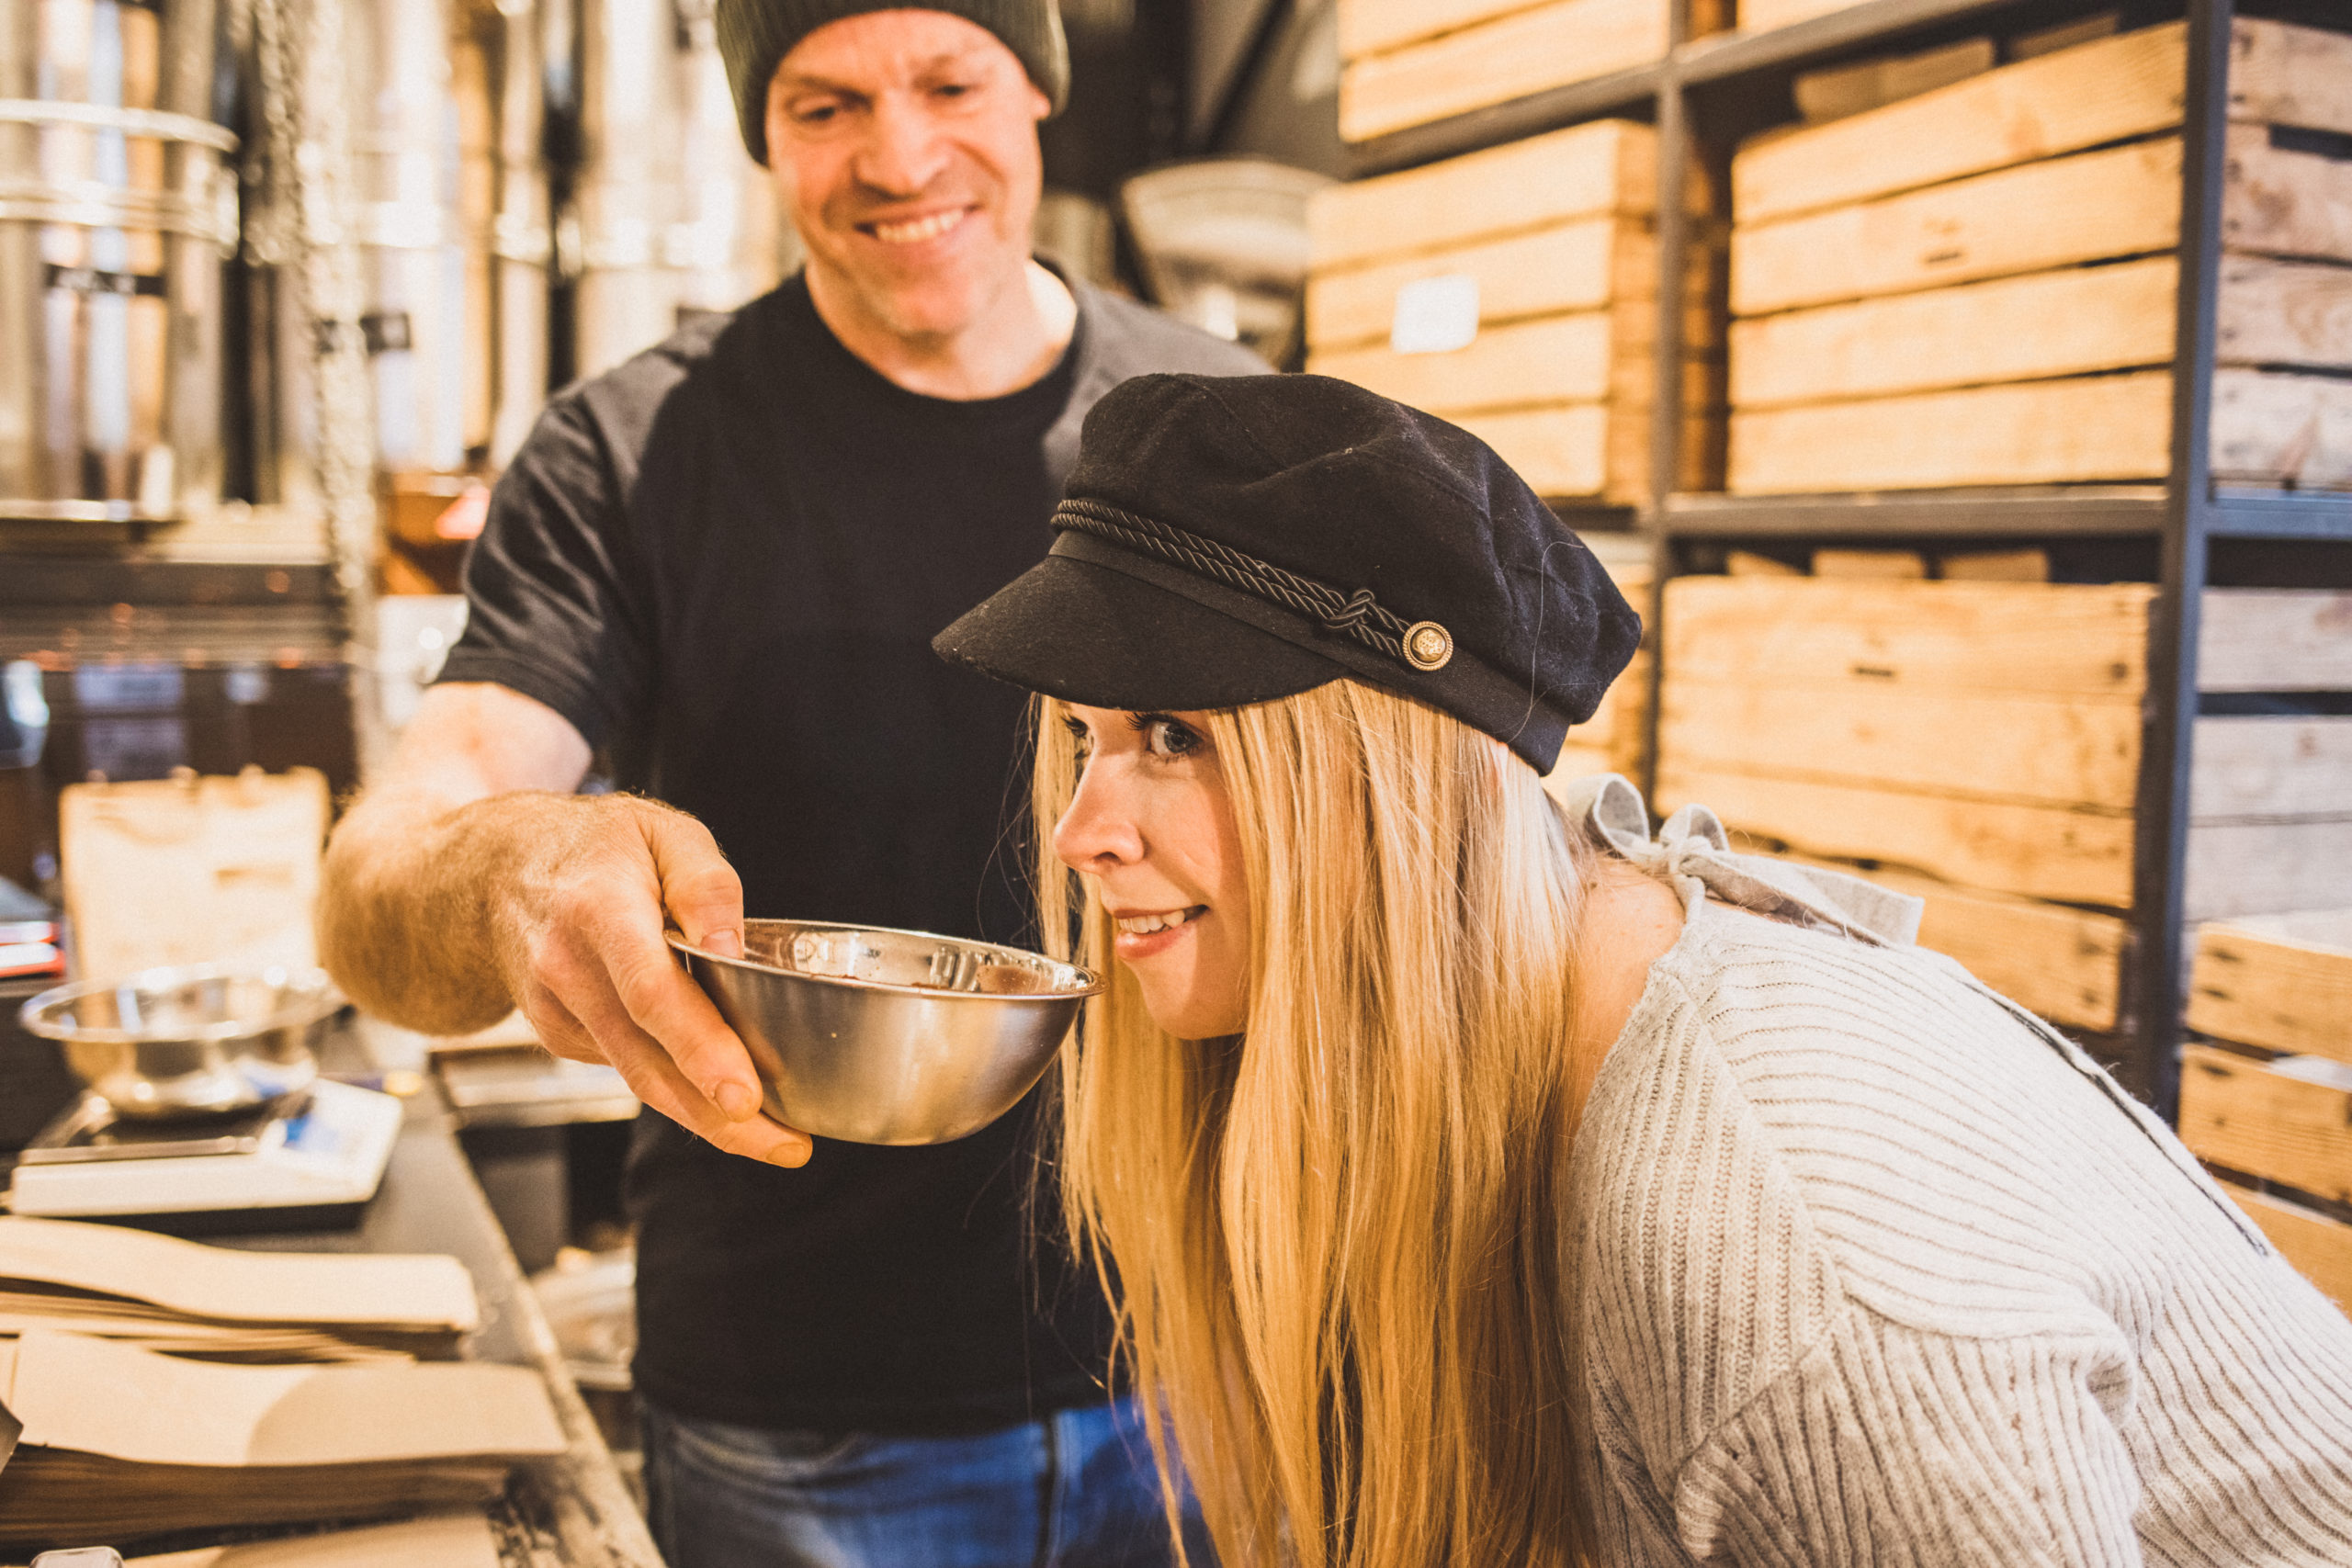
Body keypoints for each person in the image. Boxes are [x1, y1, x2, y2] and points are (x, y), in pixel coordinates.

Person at [930, 371, 2352, 1568]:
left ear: (1386, 786)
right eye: (1083, 737)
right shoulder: (1525, 1031)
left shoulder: (1790, 1264)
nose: (1078, 832)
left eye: (1174, 736)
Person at [314, 3, 1257, 1562]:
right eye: (826, 105)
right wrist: (522, 864)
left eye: (950, 82)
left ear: (1037, 91)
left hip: (1197, 1371)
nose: (899, 154)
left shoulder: (1222, 432)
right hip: (801, 1419)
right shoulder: (631, 453)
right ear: (762, 133)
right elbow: (376, 886)